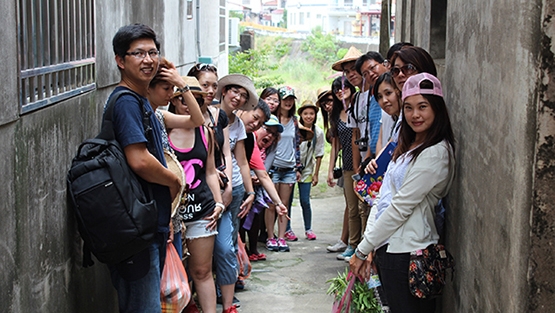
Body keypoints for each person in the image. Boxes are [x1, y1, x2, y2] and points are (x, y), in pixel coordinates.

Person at [350, 73, 456, 313]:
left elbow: (400, 207)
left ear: (437, 109)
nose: (415, 115)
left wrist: (362, 248)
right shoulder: (408, 146)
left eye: (423, 107)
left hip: (410, 254)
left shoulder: (436, 152)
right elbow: (383, 197)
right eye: (408, 108)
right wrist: (370, 245)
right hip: (389, 250)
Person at [107, 23, 181, 313]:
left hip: (150, 222)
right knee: (143, 307)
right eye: (138, 53)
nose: (148, 60)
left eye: (153, 52)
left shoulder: (141, 99)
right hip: (136, 228)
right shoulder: (126, 101)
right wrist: (174, 182)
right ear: (120, 60)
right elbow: (138, 159)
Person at [167, 81, 225, 313]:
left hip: (202, 211)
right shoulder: (163, 129)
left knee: (202, 271)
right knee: (176, 274)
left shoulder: (206, 133)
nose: (189, 103)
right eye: (183, 98)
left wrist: (219, 202)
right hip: (172, 216)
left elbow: (210, 172)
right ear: (172, 99)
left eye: (197, 99)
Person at [214, 74, 258, 313]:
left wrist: (250, 193)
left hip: (237, 189)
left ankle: (225, 295)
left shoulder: (239, 125)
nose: (238, 98)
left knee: (227, 245)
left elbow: (242, 161)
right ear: (224, 91)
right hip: (213, 189)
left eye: (243, 95)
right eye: (235, 92)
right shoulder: (209, 116)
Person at [237, 102, 288, 260]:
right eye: (256, 120)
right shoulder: (240, 133)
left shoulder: (251, 140)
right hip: (233, 189)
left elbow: (263, 175)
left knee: (252, 221)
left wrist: (279, 203)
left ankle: (246, 256)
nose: (255, 124)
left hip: (250, 190)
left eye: (259, 123)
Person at [326, 77, 358, 258]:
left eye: (343, 87)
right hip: (346, 165)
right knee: (352, 207)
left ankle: (357, 244)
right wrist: (330, 171)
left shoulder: (359, 108)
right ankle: (352, 245)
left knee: (361, 209)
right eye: (336, 89)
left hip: (361, 163)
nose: (340, 91)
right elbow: (335, 146)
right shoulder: (337, 114)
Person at [268, 86, 302, 251]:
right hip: (273, 168)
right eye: (285, 99)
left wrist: (298, 167)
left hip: (289, 169)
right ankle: (270, 237)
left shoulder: (295, 121)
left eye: (291, 99)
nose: (288, 102)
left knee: (284, 205)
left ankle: (281, 237)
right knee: (271, 204)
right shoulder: (271, 119)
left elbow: (297, 145)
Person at [295, 100, 324, 240]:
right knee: (286, 200)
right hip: (291, 168)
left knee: (305, 200)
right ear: (300, 115)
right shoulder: (295, 129)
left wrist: (316, 174)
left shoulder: (318, 132)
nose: (308, 116)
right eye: (305, 113)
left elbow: (319, 154)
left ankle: (308, 229)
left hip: (307, 169)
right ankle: (287, 229)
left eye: (311, 113)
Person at [373, 72, 403, 153]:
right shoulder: (396, 120)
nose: (384, 101)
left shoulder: (407, 121)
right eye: (379, 97)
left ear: (398, 91)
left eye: (388, 93)